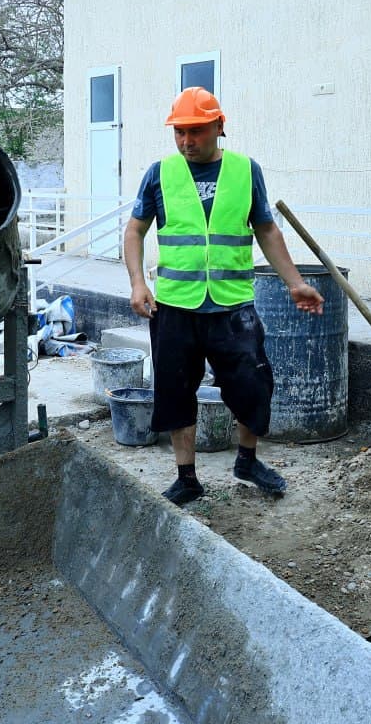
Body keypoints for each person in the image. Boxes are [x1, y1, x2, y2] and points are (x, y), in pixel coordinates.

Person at [123, 87, 324, 506]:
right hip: (175, 305)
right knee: (176, 393)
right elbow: (135, 230)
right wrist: (138, 283)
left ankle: (247, 461)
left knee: (253, 386)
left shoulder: (245, 171)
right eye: (179, 132)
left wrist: (294, 282)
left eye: (195, 131)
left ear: (219, 126)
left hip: (233, 307)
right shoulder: (160, 173)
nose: (186, 141)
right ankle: (187, 478)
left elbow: (267, 229)